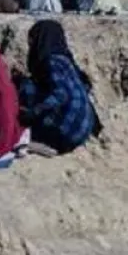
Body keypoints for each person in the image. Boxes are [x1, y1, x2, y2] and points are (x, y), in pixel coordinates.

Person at [18, 21, 100, 155]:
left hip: (66, 133)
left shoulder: (50, 62)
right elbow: (85, 86)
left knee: (27, 87)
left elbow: (60, 94)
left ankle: (40, 142)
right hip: (83, 128)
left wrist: (34, 112)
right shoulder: (65, 59)